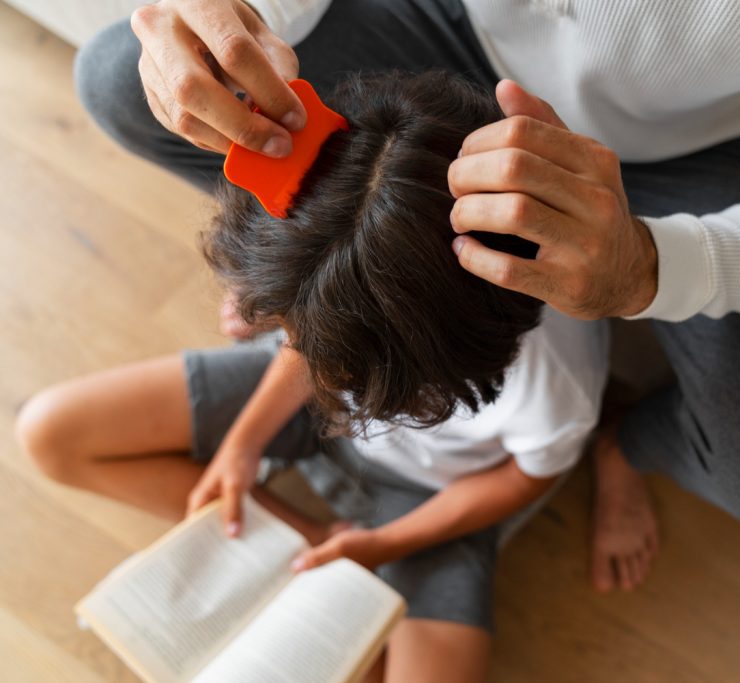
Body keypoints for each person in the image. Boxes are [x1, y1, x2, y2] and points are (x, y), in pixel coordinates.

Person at [73, 0, 740, 593]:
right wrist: (229, 20)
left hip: (681, 147)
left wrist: (649, 267)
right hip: (442, 24)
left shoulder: (550, 401)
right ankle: (330, 264)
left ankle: (626, 442)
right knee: (119, 76)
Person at [16, 70, 609, 683]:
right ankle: (307, 544)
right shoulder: (347, 275)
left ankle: (331, 564)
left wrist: (385, 547)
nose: (329, 372)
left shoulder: (557, 376)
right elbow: (311, 351)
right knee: (48, 432)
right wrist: (244, 444)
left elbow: (525, 476)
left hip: (434, 495)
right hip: (297, 406)